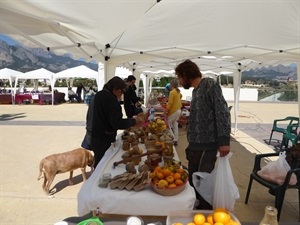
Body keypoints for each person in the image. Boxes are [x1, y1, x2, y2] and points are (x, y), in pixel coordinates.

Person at [174, 59, 231, 210]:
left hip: (208, 145)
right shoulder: (196, 90)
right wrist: (189, 119)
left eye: (180, 77)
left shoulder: (209, 85)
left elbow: (222, 111)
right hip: (195, 145)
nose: (179, 81)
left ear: (187, 74)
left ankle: (205, 213)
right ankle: (196, 210)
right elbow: (204, 113)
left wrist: (224, 141)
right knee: (194, 180)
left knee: (203, 182)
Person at [85, 76, 141, 168]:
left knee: (99, 159)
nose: (122, 93)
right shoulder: (111, 100)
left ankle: (95, 172)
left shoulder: (99, 94)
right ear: (115, 89)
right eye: (121, 91)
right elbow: (117, 123)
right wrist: (133, 121)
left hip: (92, 134)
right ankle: (97, 179)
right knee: (102, 163)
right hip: (102, 137)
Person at [164, 79, 182, 146]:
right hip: (179, 110)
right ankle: (176, 139)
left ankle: (173, 139)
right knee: (175, 125)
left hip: (174, 111)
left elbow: (170, 103)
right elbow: (181, 96)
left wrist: (166, 111)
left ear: (171, 85)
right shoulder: (177, 91)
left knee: (167, 125)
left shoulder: (172, 92)